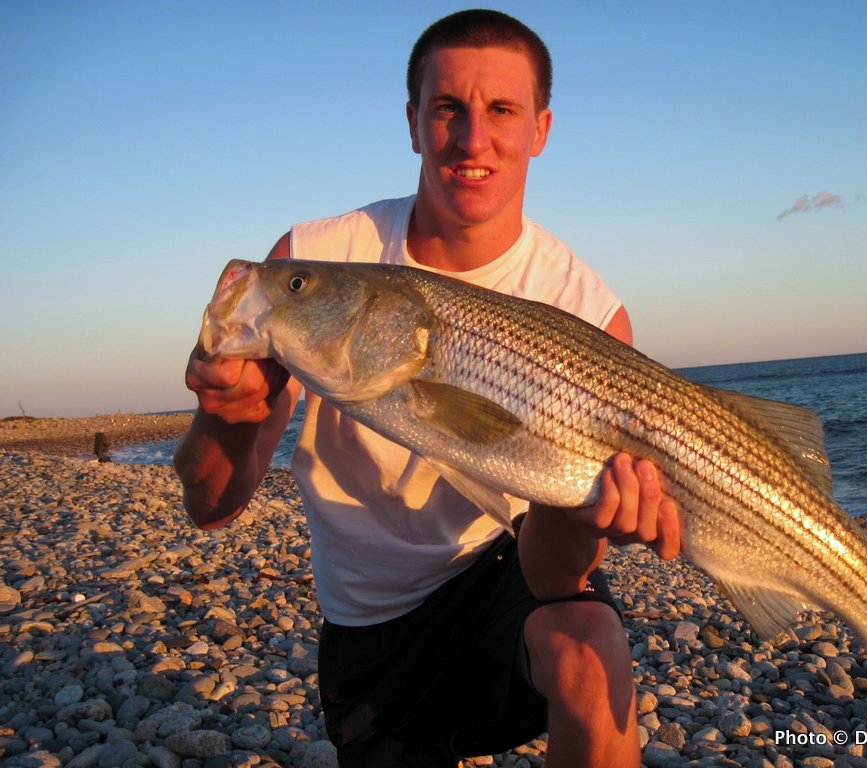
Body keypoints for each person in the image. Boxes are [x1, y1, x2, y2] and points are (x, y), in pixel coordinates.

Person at [174, 10, 681, 768]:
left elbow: (551, 573)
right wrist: (224, 419)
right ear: (413, 122)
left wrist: (598, 517)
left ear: (541, 128)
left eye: (502, 110)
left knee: (591, 653)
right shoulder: (315, 259)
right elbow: (210, 506)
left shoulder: (588, 310)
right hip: (370, 619)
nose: (472, 140)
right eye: (447, 108)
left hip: (504, 567)